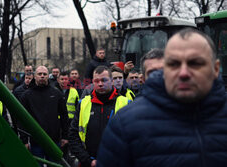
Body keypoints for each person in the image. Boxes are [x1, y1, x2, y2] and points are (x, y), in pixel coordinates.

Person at [96, 28, 227, 167]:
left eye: (195, 63)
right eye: (173, 64)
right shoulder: (125, 126)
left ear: (216, 68)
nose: (183, 73)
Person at [69, 66, 130, 167]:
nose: (100, 84)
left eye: (104, 80)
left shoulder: (125, 103)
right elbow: (73, 135)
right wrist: (88, 160)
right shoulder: (83, 103)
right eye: (96, 81)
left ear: (111, 81)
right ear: (92, 82)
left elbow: (133, 137)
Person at [20, 66, 68, 166]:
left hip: (54, 141)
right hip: (35, 142)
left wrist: (65, 136)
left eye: (45, 74)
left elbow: (64, 116)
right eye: (40, 74)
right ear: (34, 76)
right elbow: (21, 120)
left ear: (48, 76)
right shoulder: (26, 96)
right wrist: (24, 140)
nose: (42, 76)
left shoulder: (56, 93)